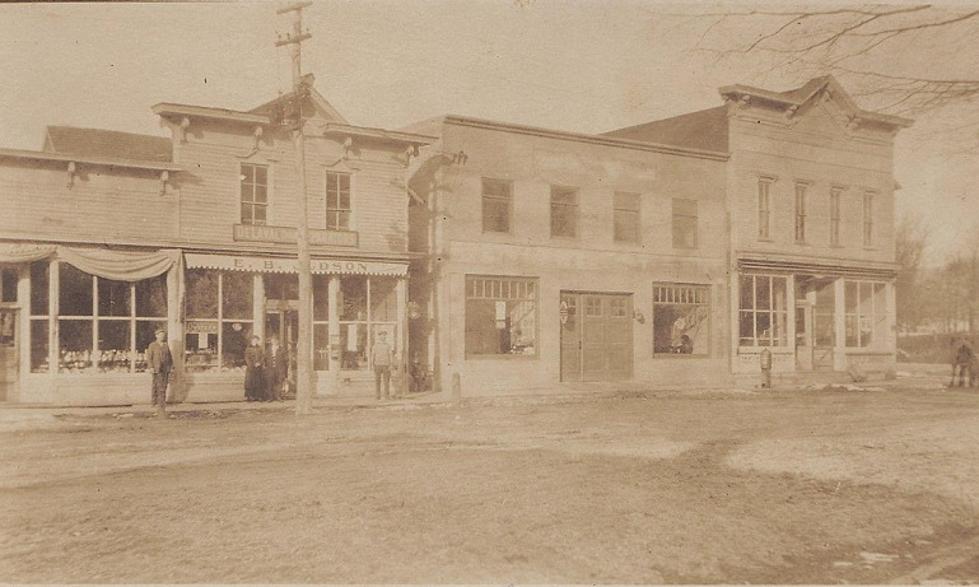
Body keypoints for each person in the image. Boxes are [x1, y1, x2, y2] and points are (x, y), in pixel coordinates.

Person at [145, 327, 172, 415]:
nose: (162, 337)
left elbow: (169, 357)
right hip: (156, 369)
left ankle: (161, 402)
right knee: (156, 385)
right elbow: (149, 357)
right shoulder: (152, 345)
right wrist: (151, 367)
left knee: (164, 385)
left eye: (163, 335)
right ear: (156, 336)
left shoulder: (165, 345)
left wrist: (171, 366)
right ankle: (155, 402)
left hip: (165, 369)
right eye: (160, 335)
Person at [371, 331, 394, 400]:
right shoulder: (375, 345)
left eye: (384, 335)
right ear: (379, 336)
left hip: (386, 365)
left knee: (386, 381)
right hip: (377, 365)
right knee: (377, 381)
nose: (383, 337)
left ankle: (386, 395)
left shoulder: (388, 345)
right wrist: (372, 364)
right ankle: (378, 396)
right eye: (381, 335)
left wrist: (391, 364)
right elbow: (373, 355)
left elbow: (390, 355)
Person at [264, 337, 287, 401]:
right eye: (273, 341)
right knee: (270, 382)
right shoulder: (268, 349)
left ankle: (278, 396)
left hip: (279, 368)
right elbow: (265, 358)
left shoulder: (281, 349)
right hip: (270, 368)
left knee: (279, 382)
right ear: (271, 342)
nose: (274, 342)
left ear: (278, 342)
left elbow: (286, 359)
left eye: (276, 341)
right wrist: (267, 365)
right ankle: (270, 397)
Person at [243, 335, 265, 401]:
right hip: (251, 368)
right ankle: (250, 396)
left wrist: (259, 363)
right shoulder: (248, 348)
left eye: (256, 340)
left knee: (258, 382)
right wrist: (251, 365)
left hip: (258, 368)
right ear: (251, 341)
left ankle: (258, 396)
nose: (255, 341)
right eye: (253, 340)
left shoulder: (260, 348)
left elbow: (262, 357)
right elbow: (247, 358)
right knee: (250, 382)